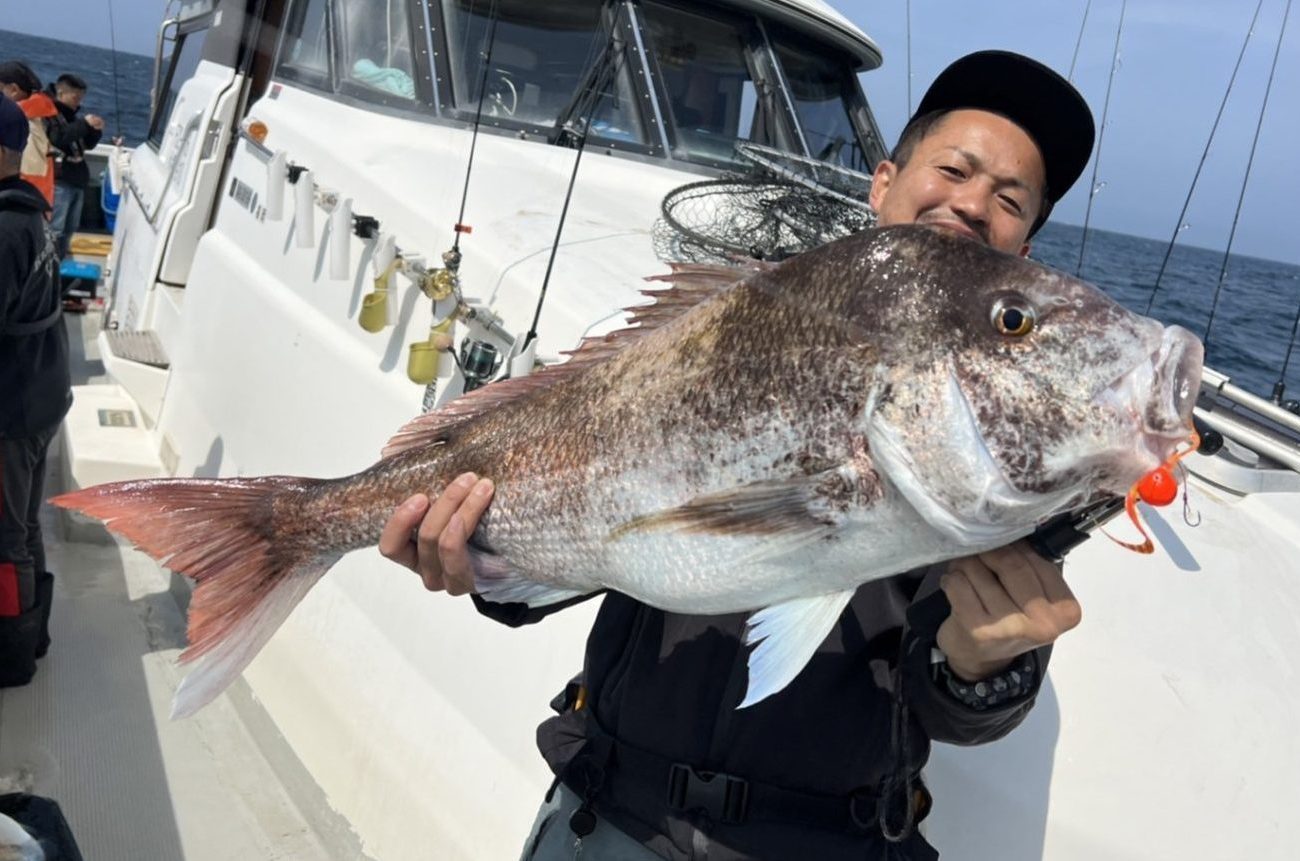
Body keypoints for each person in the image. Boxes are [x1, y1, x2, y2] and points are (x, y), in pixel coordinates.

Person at [380, 51, 1096, 860]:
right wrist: (479, 561)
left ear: (1022, 252)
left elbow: (958, 706)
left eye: (1009, 201)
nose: (971, 204)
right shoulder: (739, 319)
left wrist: (984, 662)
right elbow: (572, 543)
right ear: (883, 183)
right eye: (955, 169)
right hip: (612, 809)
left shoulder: (1005, 422)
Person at [0, 93, 69, 687]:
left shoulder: (2, 229)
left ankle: (10, 655)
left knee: (5, 538)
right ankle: (36, 635)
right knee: (23, 526)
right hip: (41, 396)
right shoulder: (30, 214)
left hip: (12, 409)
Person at [45, 74, 103, 260]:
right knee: (56, 228)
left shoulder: (72, 117)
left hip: (76, 179)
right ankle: (49, 265)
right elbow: (58, 138)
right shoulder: (49, 113)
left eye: (81, 97)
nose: (78, 101)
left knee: (70, 228)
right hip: (60, 180)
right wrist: (84, 124)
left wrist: (94, 130)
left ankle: (59, 263)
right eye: (75, 97)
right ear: (61, 92)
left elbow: (85, 144)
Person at [0, 62, 57, 208]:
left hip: (21, 190)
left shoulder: (17, 111)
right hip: (35, 192)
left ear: (13, 89)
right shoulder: (43, 105)